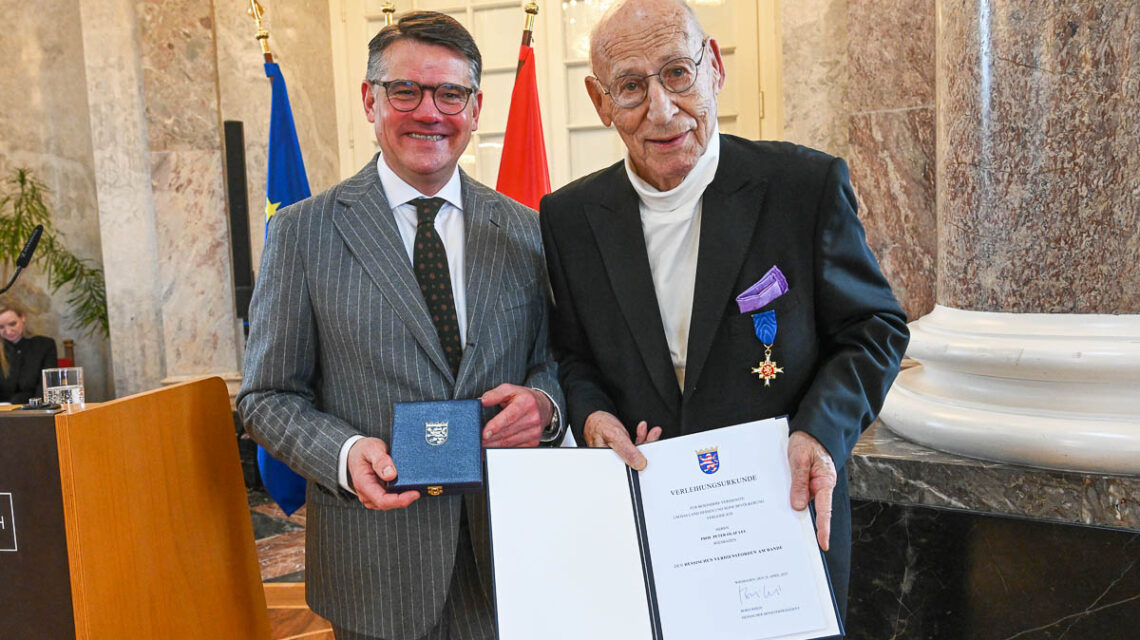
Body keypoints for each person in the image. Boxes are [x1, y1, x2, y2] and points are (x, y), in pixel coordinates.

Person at [539, 0, 909, 618]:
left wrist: (820, 431)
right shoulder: (569, 217)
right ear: (601, 103)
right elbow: (572, 353)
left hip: (779, 513)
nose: (661, 110)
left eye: (677, 73)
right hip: (646, 519)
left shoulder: (803, 186)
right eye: (630, 87)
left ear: (713, 67)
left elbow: (872, 328)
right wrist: (592, 415)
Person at [237, 12, 564, 640]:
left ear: (475, 107)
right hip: (376, 565)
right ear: (370, 99)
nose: (430, 112)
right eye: (405, 90)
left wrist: (544, 406)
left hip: (511, 554)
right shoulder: (304, 233)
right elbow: (266, 396)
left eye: (450, 94)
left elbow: (552, 361)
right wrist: (344, 452)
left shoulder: (528, 229)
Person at [0, 297, 58, 404]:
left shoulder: (44, 345)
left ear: (23, 317)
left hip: (35, 412)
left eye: (12, 324)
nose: (8, 331)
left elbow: (47, 388)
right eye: (1, 327)